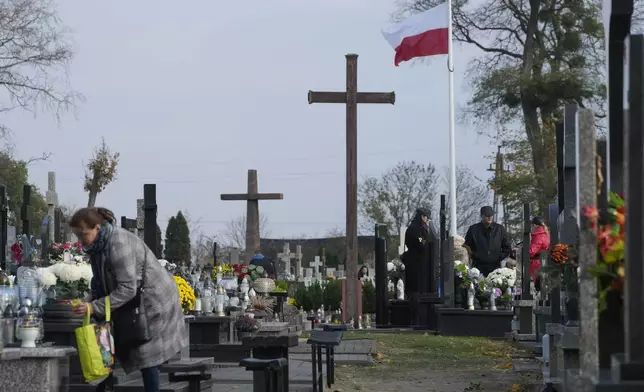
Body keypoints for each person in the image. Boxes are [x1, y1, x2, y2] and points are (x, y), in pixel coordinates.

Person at [70, 207, 187, 392]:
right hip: (135, 301)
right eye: (77, 235)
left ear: (97, 228)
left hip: (152, 301)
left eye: (83, 234)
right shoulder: (97, 246)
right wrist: (88, 299)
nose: (80, 240)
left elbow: (127, 288)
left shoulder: (118, 243)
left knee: (147, 353)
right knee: (109, 350)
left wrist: (94, 307)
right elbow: (100, 279)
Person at [464, 206, 512, 277]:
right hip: (478, 267)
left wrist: (498, 257)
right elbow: (466, 246)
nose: (490, 217)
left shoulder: (500, 229)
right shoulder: (473, 229)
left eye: (491, 215)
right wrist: (475, 255)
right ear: (482, 216)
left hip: (495, 267)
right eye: (487, 216)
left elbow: (507, 247)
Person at [529, 216, 551, 285]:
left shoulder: (538, 236)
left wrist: (522, 250)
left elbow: (531, 251)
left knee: (538, 286)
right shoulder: (545, 233)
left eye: (531, 226)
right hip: (542, 262)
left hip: (537, 264)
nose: (531, 228)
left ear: (535, 225)